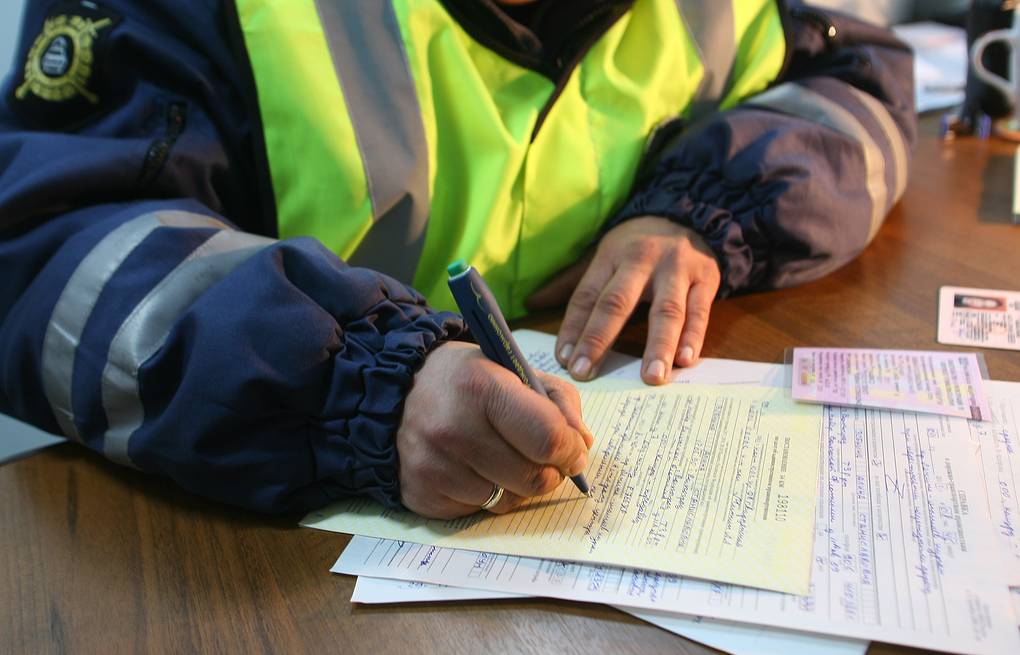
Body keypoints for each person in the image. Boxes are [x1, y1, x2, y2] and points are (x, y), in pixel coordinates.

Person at [0, 0, 916, 518]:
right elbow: (42, 255)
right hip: (273, 558)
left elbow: (860, 88)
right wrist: (367, 386)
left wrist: (696, 210)